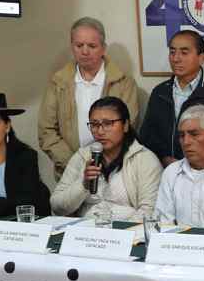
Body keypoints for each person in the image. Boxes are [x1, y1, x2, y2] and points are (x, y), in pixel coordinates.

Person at [38, 16, 141, 178]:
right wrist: (75, 164)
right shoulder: (58, 83)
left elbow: (128, 126)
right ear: (72, 46)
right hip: (70, 173)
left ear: (103, 48)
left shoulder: (123, 83)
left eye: (92, 46)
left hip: (114, 172)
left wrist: (104, 163)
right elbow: (47, 132)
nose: (85, 51)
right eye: (79, 45)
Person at [50, 96, 162, 221]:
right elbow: (57, 206)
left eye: (108, 124)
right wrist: (83, 185)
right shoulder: (83, 155)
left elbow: (148, 211)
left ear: (125, 125)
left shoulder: (145, 159)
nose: (100, 131)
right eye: (94, 124)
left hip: (127, 234)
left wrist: (116, 235)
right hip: (85, 231)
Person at [138, 30, 204, 166]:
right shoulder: (160, 92)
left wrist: (188, 163)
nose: (176, 58)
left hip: (203, 169)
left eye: (184, 52)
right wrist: (164, 158)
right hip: (163, 168)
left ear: (202, 58)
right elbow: (147, 136)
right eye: (172, 52)